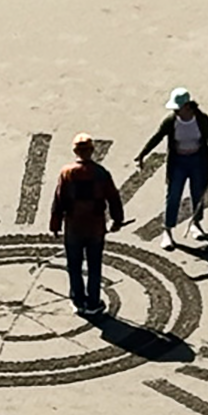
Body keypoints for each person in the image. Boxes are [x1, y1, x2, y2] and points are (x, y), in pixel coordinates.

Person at [135, 87, 208, 250]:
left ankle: (195, 224)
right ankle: (167, 231)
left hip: (198, 160)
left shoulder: (201, 119)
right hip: (178, 162)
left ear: (188, 106)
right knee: (173, 195)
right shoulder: (171, 121)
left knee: (198, 193)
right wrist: (143, 154)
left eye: (178, 108)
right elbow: (157, 137)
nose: (175, 111)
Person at [49, 133, 125, 316]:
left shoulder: (67, 172)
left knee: (74, 266)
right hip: (95, 227)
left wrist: (55, 225)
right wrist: (117, 220)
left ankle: (78, 300)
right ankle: (93, 303)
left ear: (75, 151)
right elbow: (113, 198)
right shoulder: (101, 173)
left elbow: (59, 199)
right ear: (92, 150)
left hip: (73, 226)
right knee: (94, 265)